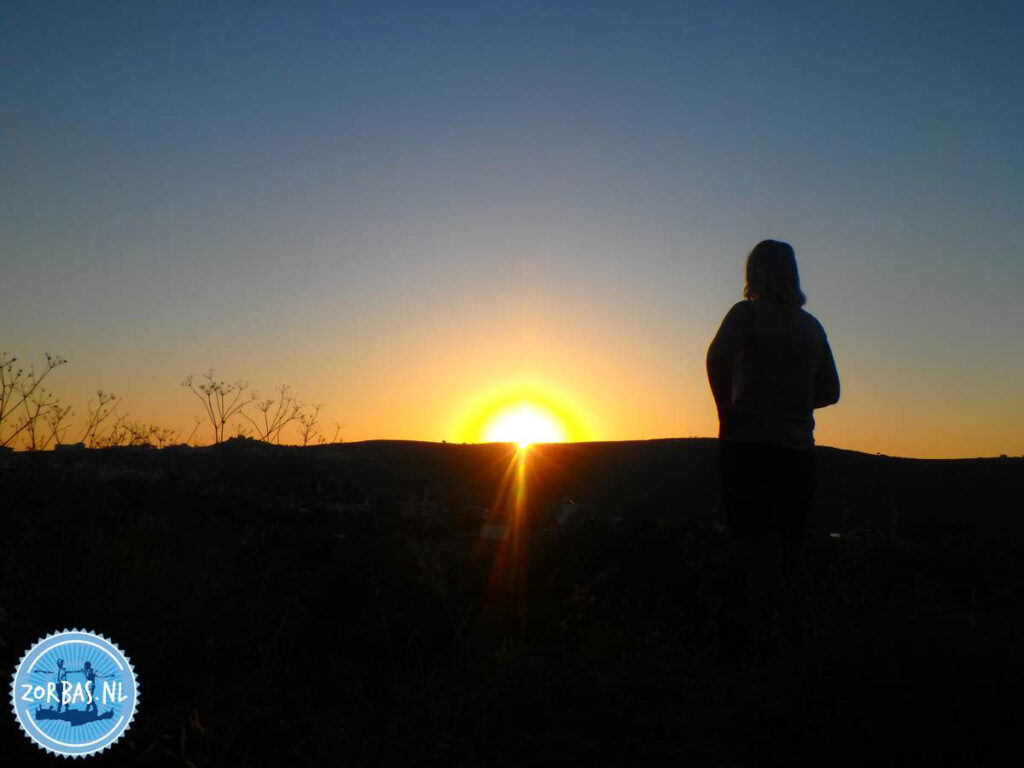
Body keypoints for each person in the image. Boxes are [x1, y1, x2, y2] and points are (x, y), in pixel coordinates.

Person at [706, 239, 840, 655]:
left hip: (750, 449)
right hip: (799, 455)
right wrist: (793, 400)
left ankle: (766, 646)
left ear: (754, 274)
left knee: (758, 554)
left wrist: (726, 412)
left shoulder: (745, 314)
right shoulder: (812, 327)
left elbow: (716, 358)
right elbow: (831, 391)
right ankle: (806, 638)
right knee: (791, 553)